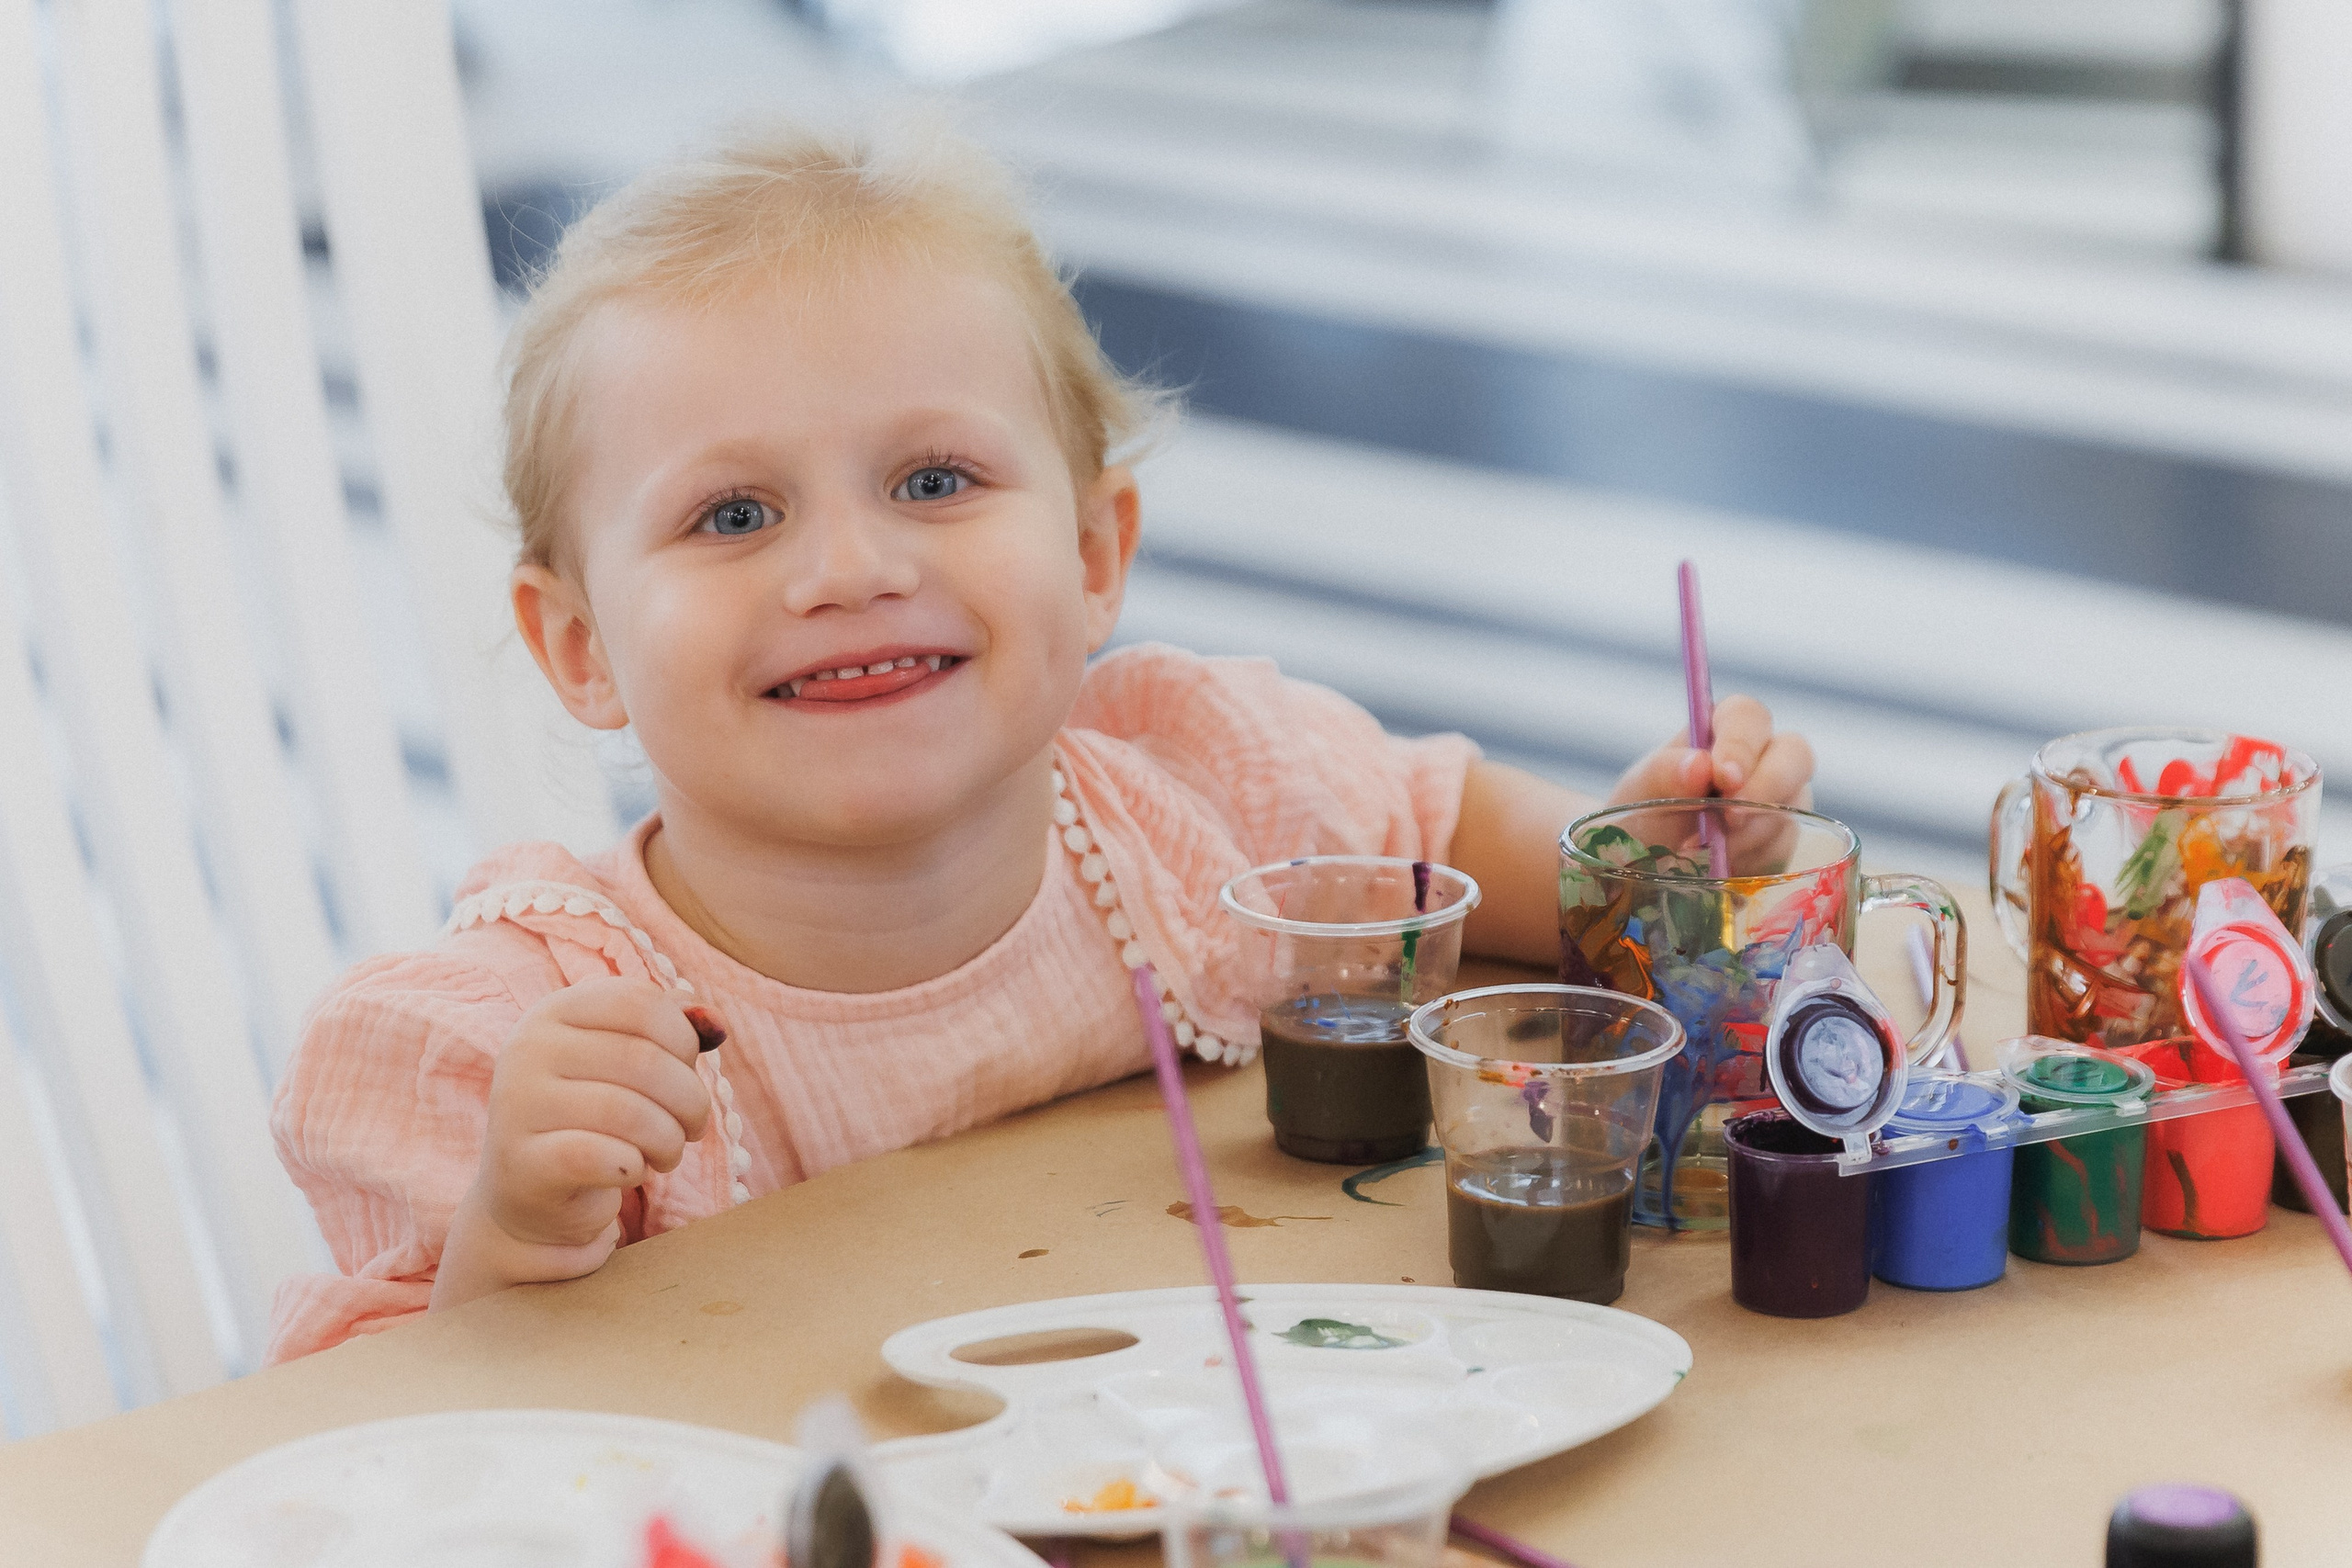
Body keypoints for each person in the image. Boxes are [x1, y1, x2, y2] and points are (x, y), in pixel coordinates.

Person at [267, 122, 1814, 1362]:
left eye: (934, 481)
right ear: (581, 649)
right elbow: (366, 1457)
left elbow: (1457, 850)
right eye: (733, 514)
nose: (850, 569)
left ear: (1091, 554)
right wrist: (512, 1239)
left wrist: (1642, 861)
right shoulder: (516, 1050)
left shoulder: (1204, 794)